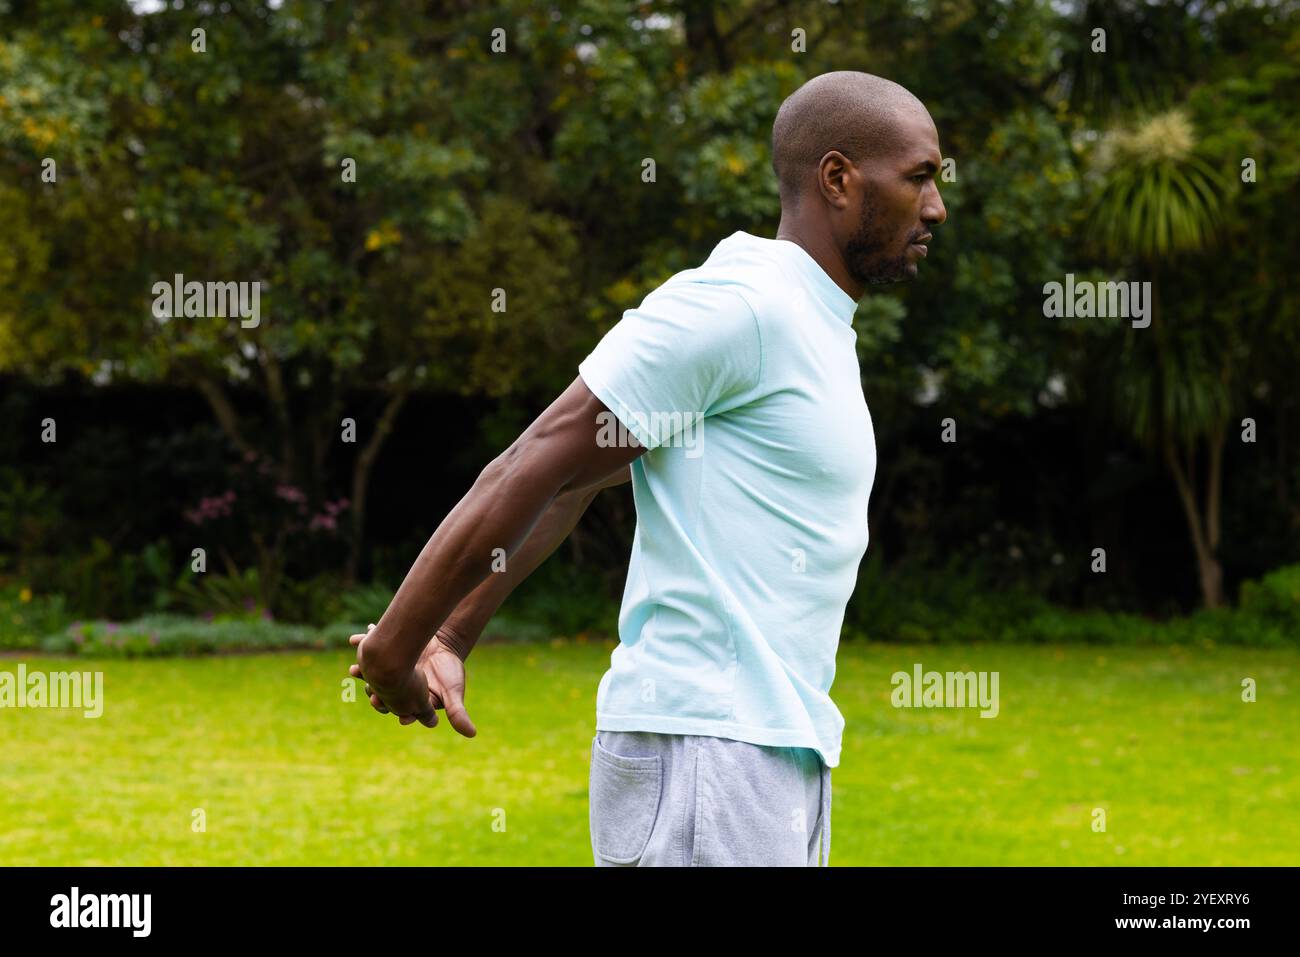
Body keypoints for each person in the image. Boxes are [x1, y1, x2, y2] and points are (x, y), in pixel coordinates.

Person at [349, 70, 947, 866]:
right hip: (706, 749)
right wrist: (399, 645)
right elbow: (538, 458)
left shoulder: (810, 321)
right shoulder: (742, 305)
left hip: (770, 747)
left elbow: (581, 481)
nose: (935, 207)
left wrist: (456, 631)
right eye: (920, 178)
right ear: (838, 178)